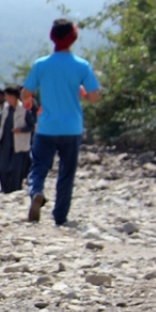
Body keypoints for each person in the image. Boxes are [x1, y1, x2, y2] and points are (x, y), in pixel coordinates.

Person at [23, 18, 100, 224]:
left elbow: (25, 92)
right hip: (71, 127)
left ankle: (36, 192)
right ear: (73, 38)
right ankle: (60, 215)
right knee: (67, 172)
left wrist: (28, 102)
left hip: (46, 127)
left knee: (38, 166)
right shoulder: (81, 65)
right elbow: (94, 96)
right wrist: (82, 93)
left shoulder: (41, 64)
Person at [0, 86, 36, 193]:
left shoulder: (24, 109)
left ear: (13, 97)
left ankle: (15, 188)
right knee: (3, 167)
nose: (5, 98)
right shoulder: (6, 108)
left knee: (16, 168)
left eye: (7, 96)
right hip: (5, 142)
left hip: (18, 143)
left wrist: (21, 130)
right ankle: (4, 188)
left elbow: (31, 126)